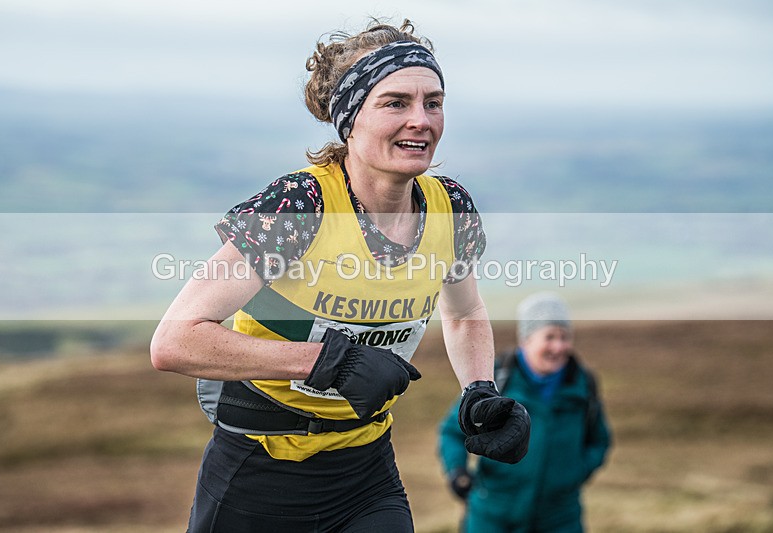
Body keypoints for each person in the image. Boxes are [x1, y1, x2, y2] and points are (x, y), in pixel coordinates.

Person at [150, 19, 530, 532]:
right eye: (395, 103)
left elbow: (463, 314)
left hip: (366, 472)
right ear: (350, 118)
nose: (421, 120)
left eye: (433, 102)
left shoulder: (450, 208)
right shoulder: (297, 207)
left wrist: (479, 391)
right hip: (258, 472)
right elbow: (175, 342)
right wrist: (327, 361)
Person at [438, 292, 612, 533]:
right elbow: (451, 432)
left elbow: (599, 441)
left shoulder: (583, 386)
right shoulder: (496, 381)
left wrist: (573, 473)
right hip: (493, 515)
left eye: (565, 337)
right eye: (549, 337)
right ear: (526, 340)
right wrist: (457, 472)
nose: (559, 346)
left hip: (560, 517)